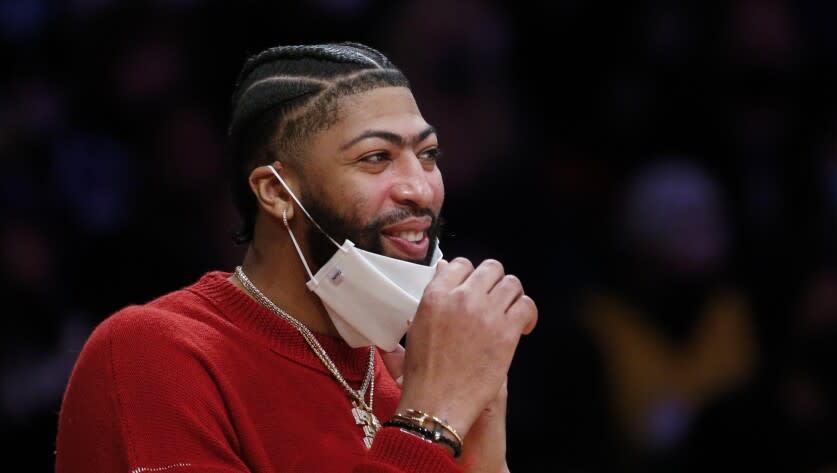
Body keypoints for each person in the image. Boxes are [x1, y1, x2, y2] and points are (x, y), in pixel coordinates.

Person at [55, 41, 538, 473]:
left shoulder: (403, 382)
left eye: (428, 154)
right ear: (276, 191)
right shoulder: (155, 353)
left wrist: (484, 445)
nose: (421, 188)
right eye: (376, 157)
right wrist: (431, 421)